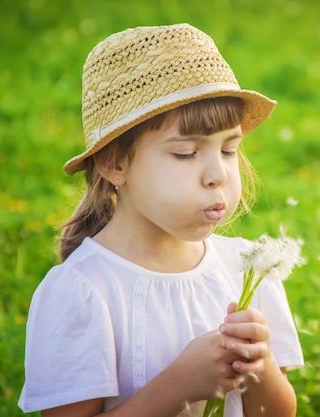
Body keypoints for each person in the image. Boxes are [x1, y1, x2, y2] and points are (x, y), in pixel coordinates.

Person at [18, 23, 303, 417]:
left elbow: (278, 411)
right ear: (116, 163)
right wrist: (179, 386)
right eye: (186, 153)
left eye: (229, 149)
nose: (217, 174)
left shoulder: (247, 272)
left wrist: (261, 365)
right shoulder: (83, 293)